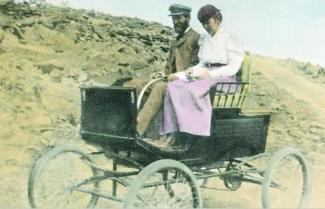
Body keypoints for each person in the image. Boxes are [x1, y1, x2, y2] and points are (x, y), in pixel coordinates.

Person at [162, 4, 244, 137]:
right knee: (174, 86)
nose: (205, 26)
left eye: (208, 22)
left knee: (192, 89)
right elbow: (202, 64)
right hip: (206, 74)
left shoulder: (229, 38)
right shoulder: (205, 39)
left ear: (217, 19)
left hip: (225, 79)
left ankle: (196, 133)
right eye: (202, 23)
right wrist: (182, 74)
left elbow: (233, 67)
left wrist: (211, 74)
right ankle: (174, 132)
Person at [124, 4, 200, 139]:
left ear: (187, 18)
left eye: (179, 18)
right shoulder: (176, 40)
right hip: (170, 80)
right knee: (136, 84)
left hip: (186, 83)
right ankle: (125, 123)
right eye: (173, 19)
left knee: (159, 88)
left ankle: (137, 130)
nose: (175, 22)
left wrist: (177, 76)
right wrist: (162, 74)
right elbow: (168, 66)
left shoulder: (196, 38)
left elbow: (196, 68)